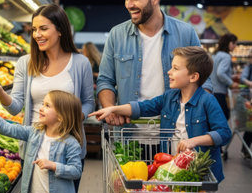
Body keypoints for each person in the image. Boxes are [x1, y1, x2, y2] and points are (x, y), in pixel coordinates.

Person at [0, 3, 94, 193]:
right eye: (34, 29)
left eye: (43, 28)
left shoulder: (80, 62)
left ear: (60, 30)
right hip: (33, 144)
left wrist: (70, 120)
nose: (37, 34)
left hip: (68, 146)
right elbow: (15, 108)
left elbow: (89, 101)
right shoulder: (26, 63)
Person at [91, 46, 232, 182]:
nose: (169, 72)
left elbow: (224, 132)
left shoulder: (207, 101)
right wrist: (113, 109)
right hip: (171, 167)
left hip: (199, 174)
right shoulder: (169, 97)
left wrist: (194, 141)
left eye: (175, 68)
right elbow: (143, 107)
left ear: (193, 76)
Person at [96, 0, 211, 127]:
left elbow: (205, 81)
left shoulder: (185, 33)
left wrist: (196, 117)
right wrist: (110, 108)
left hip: (175, 131)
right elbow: (105, 81)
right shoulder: (117, 35)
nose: (129, 5)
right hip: (129, 130)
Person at [0, 90, 83, 193]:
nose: (41, 108)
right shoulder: (34, 132)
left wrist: (54, 166)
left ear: (61, 117)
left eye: (47, 106)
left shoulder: (70, 143)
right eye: (43, 104)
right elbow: (6, 128)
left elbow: (76, 170)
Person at [209, 33, 239, 121]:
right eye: (234, 43)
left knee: (214, 117)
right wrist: (231, 83)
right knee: (224, 116)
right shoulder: (226, 56)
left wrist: (231, 76)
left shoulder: (215, 55)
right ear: (229, 43)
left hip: (211, 90)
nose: (235, 46)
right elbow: (220, 73)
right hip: (219, 92)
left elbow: (215, 72)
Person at [82, 42, 102, 110]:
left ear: (88, 51)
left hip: (95, 85)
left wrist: (92, 74)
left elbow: (101, 74)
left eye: (84, 50)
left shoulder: (95, 61)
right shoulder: (96, 60)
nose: (83, 52)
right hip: (95, 86)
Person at [240, 56, 252, 159]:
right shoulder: (248, 68)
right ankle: (245, 149)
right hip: (248, 99)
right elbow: (242, 78)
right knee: (250, 126)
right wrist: (250, 84)